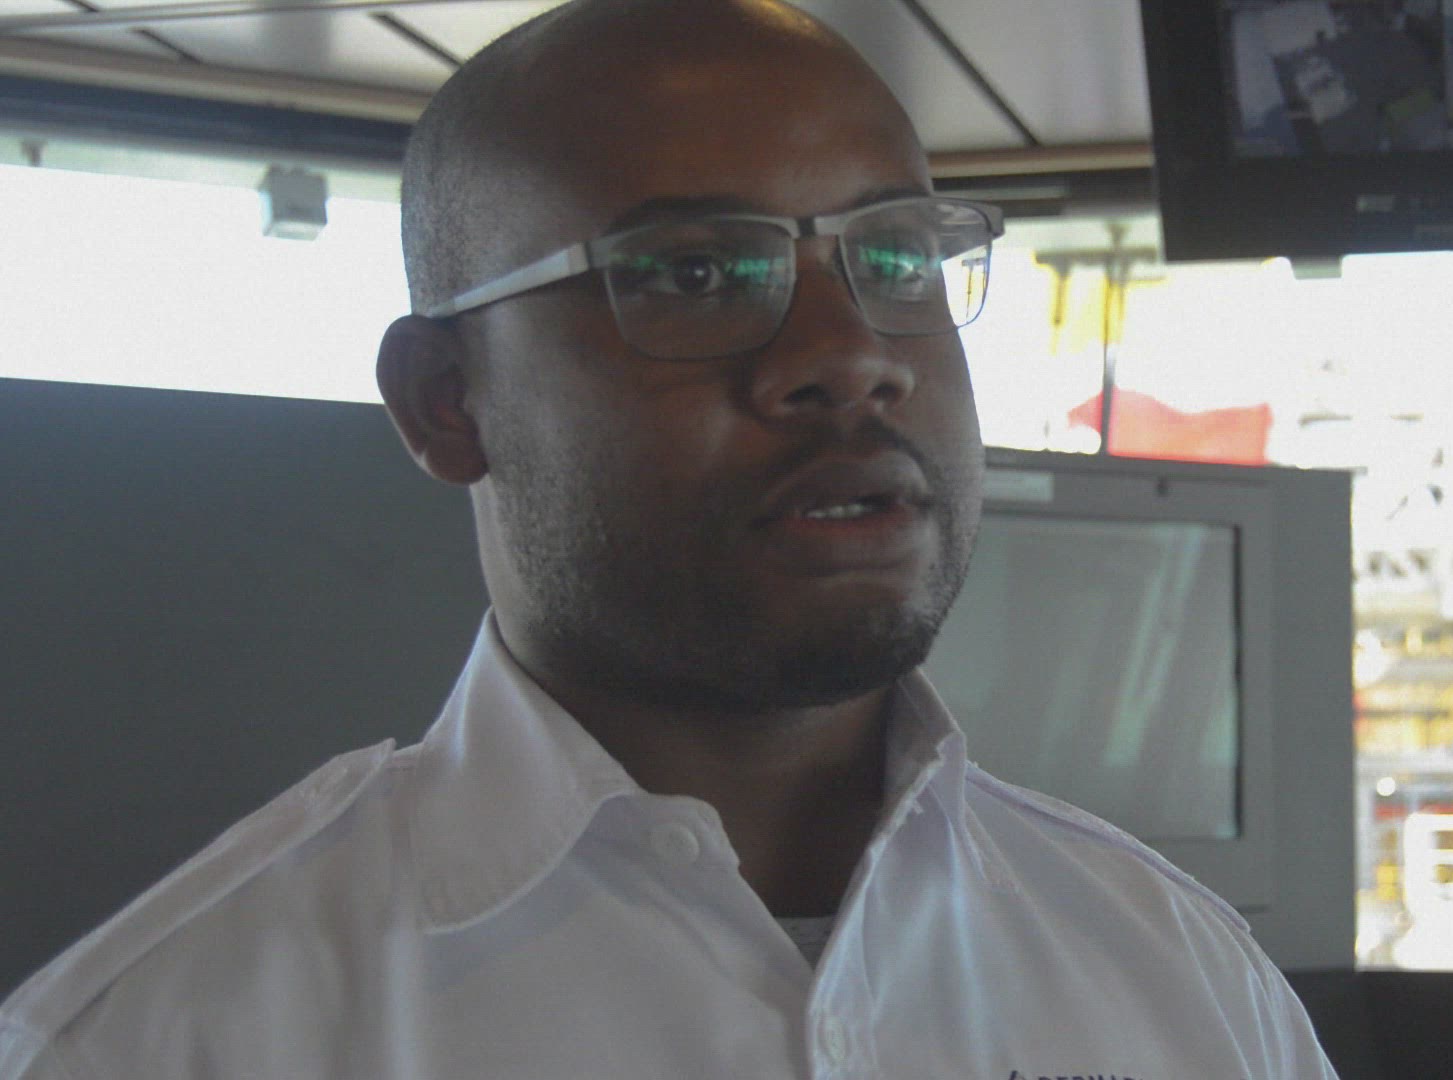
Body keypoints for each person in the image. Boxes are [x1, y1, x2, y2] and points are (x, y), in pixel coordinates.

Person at [0, 2, 1338, 1076]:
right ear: (445, 401)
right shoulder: (170, 1034)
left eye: (896, 259)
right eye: (696, 271)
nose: (850, 355)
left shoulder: (1185, 982)